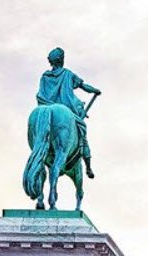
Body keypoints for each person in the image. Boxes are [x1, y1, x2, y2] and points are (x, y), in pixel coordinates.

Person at [36, 47, 101, 178]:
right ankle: (87, 165)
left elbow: (41, 95)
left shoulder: (45, 77)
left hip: (45, 108)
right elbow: (84, 86)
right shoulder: (67, 74)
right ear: (61, 60)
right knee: (82, 129)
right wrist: (95, 90)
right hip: (68, 109)